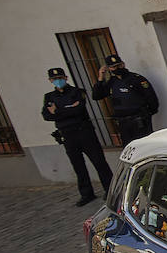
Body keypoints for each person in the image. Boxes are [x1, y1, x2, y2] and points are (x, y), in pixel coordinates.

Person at [42, 66, 113, 206]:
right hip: (67, 135)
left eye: (60, 78)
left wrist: (57, 111)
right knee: (78, 165)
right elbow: (46, 115)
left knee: (99, 161)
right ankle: (86, 194)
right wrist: (67, 109)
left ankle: (110, 189)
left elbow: (78, 110)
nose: (58, 81)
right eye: (55, 79)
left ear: (66, 78)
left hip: (84, 132)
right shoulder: (49, 97)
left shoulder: (77, 92)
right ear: (50, 80)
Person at [91, 54, 159, 144]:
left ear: (123, 64)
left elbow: (151, 98)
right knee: (129, 147)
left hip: (139, 120)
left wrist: (146, 115)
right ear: (109, 69)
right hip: (123, 122)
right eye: (113, 67)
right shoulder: (112, 82)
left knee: (144, 145)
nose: (117, 68)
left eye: (119, 65)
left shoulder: (136, 79)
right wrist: (100, 78)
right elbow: (96, 96)